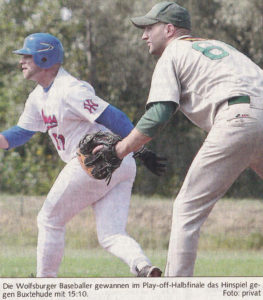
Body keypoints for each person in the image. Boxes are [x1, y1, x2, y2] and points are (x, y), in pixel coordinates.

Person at [113, 1, 263, 276]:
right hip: (254, 114)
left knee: (186, 208)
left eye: (149, 27)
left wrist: (120, 149)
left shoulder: (173, 52)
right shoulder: (223, 49)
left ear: (169, 29)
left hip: (237, 119)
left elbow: (158, 114)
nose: (144, 35)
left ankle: (176, 289)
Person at [0, 32, 163, 277]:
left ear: (44, 59)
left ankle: (45, 285)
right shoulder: (37, 97)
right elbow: (23, 132)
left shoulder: (69, 89)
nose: (21, 61)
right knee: (111, 234)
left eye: (27, 55)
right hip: (120, 163)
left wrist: (139, 148)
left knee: (49, 219)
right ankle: (142, 266)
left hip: (93, 161)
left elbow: (112, 115)